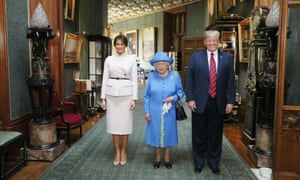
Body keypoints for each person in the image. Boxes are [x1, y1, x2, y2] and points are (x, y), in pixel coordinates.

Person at [185, 30, 235, 175]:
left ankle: (214, 162)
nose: (212, 43)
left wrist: (230, 101)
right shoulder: (195, 57)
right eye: (209, 40)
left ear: (218, 41)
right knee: (199, 134)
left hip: (218, 102)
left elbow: (230, 81)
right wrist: (190, 98)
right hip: (199, 102)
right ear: (204, 42)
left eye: (214, 40)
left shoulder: (227, 58)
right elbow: (189, 79)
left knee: (215, 134)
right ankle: (199, 162)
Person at [100, 34, 138, 166]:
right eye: (117, 44)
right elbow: (104, 78)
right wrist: (103, 97)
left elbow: (134, 80)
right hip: (111, 94)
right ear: (114, 46)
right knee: (114, 125)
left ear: (126, 45)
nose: (119, 46)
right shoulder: (109, 59)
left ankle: (124, 151)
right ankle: (117, 151)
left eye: (122, 44)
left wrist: (134, 98)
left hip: (126, 94)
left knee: (125, 125)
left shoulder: (131, 59)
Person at [144, 52, 184, 169]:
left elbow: (181, 93)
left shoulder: (175, 76)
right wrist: (147, 111)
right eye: (157, 64)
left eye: (163, 64)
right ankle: (157, 157)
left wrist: (173, 98)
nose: (160, 66)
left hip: (169, 111)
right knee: (155, 132)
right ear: (154, 66)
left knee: (169, 133)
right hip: (154, 110)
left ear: (168, 65)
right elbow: (147, 96)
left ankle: (166, 158)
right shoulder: (151, 76)